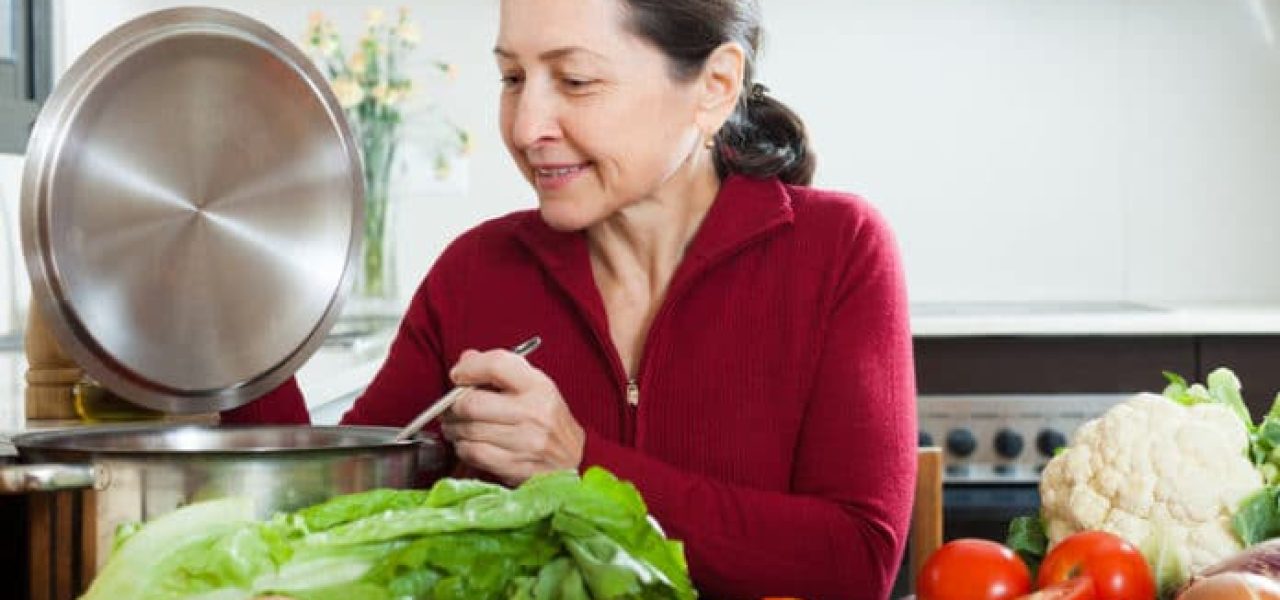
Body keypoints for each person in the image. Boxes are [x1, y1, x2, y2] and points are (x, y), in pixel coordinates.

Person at [225, 0, 916, 597]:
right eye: (513, 78)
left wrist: (577, 464)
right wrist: (232, 316)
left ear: (714, 84)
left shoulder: (839, 251)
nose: (527, 128)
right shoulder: (477, 272)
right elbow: (332, 515)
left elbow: (856, 561)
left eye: (576, 81)